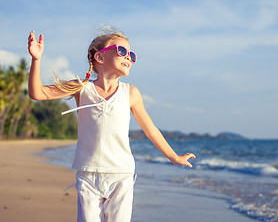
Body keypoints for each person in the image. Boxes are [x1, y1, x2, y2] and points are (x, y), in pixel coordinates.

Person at [27, 28, 196, 222]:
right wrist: (36, 59)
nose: (129, 58)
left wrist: (174, 157)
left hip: (121, 175)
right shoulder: (81, 88)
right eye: (122, 52)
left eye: (132, 55)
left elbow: (150, 130)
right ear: (100, 57)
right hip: (88, 174)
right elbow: (37, 93)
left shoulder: (131, 93)